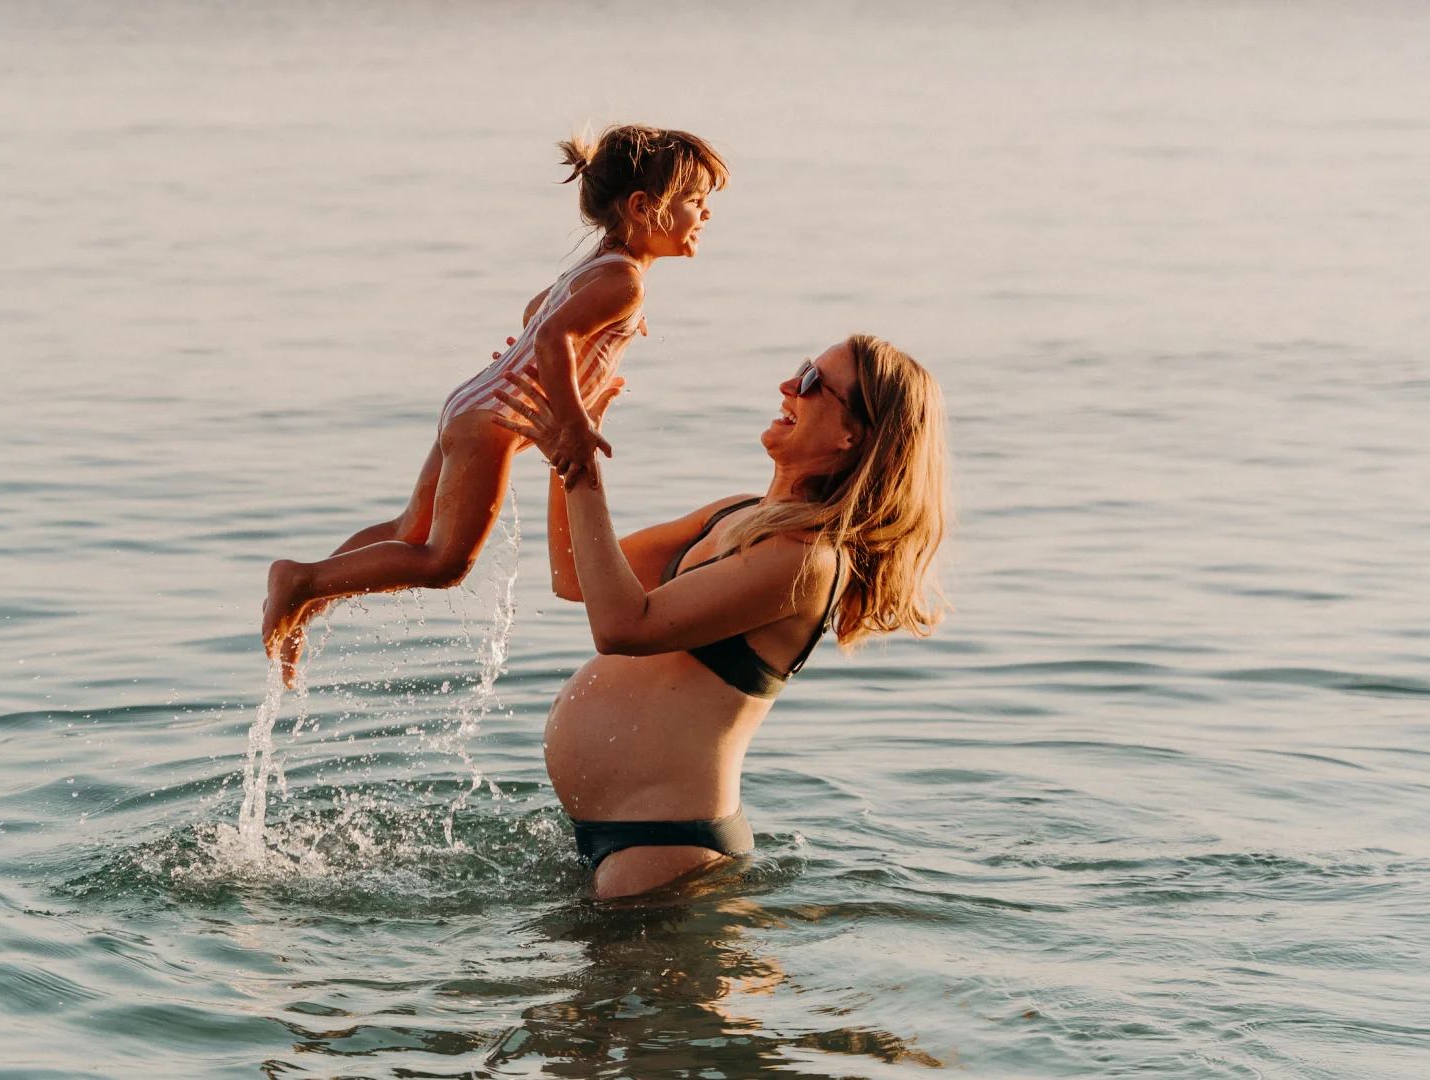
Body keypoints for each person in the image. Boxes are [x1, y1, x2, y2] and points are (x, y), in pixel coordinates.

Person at [261, 125, 729, 687]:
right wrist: (574, 424)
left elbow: (537, 312)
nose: (706, 214)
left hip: (470, 403)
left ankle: (307, 601)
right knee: (443, 563)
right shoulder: (625, 283)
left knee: (409, 529)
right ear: (642, 207)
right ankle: (300, 581)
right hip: (490, 425)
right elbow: (553, 335)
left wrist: (572, 352)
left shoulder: (600, 264)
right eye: (694, 201)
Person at [494, 334, 949, 899]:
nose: (789, 385)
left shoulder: (805, 559)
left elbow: (621, 628)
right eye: (801, 367)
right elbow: (572, 574)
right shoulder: (735, 514)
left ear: (851, 434)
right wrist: (569, 440)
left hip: (666, 845)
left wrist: (580, 458)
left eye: (813, 382)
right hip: (623, 836)